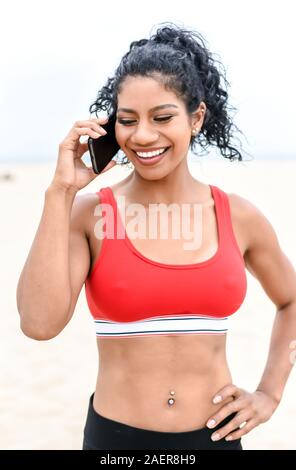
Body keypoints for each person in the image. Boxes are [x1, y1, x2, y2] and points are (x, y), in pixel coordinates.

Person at [16, 22, 296, 451]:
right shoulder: (88, 215)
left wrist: (270, 393)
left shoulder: (239, 216)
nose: (143, 135)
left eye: (162, 117)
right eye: (127, 120)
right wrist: (62, 192)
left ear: (196, 117)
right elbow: (38, 324)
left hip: (217, 440)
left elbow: (290, 300)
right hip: (117, 444)